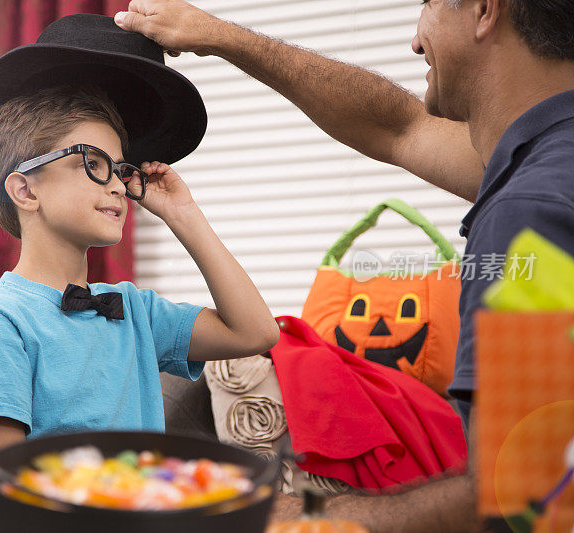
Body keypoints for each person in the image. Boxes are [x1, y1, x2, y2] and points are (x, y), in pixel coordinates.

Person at [115, 1, 574, 531]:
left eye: (426, 5)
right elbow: (396, 126)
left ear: (484, 10)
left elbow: (529, 500)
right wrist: (222, 37)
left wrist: (297, 513)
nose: (416, 41)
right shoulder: (545, 164)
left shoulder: (531, 214)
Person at [0, 14, 280, 508]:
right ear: (25, 189)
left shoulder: (133, 310)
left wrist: (183, 215)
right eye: (93, 164)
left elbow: (256, 332)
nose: (119, 185)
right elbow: (3, 497)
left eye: (120, 169)